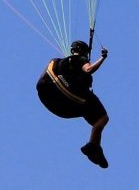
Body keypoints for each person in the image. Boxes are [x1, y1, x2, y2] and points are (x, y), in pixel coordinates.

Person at [36, 40, 110, 168]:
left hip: (48, 95)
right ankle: (93, 146)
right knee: (102, 118)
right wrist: (102, 58)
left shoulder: (61, 62)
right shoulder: (80, 59)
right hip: (65, 98)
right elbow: (89, 69)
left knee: (92, 112)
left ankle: (94, 147)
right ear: (83, 52)